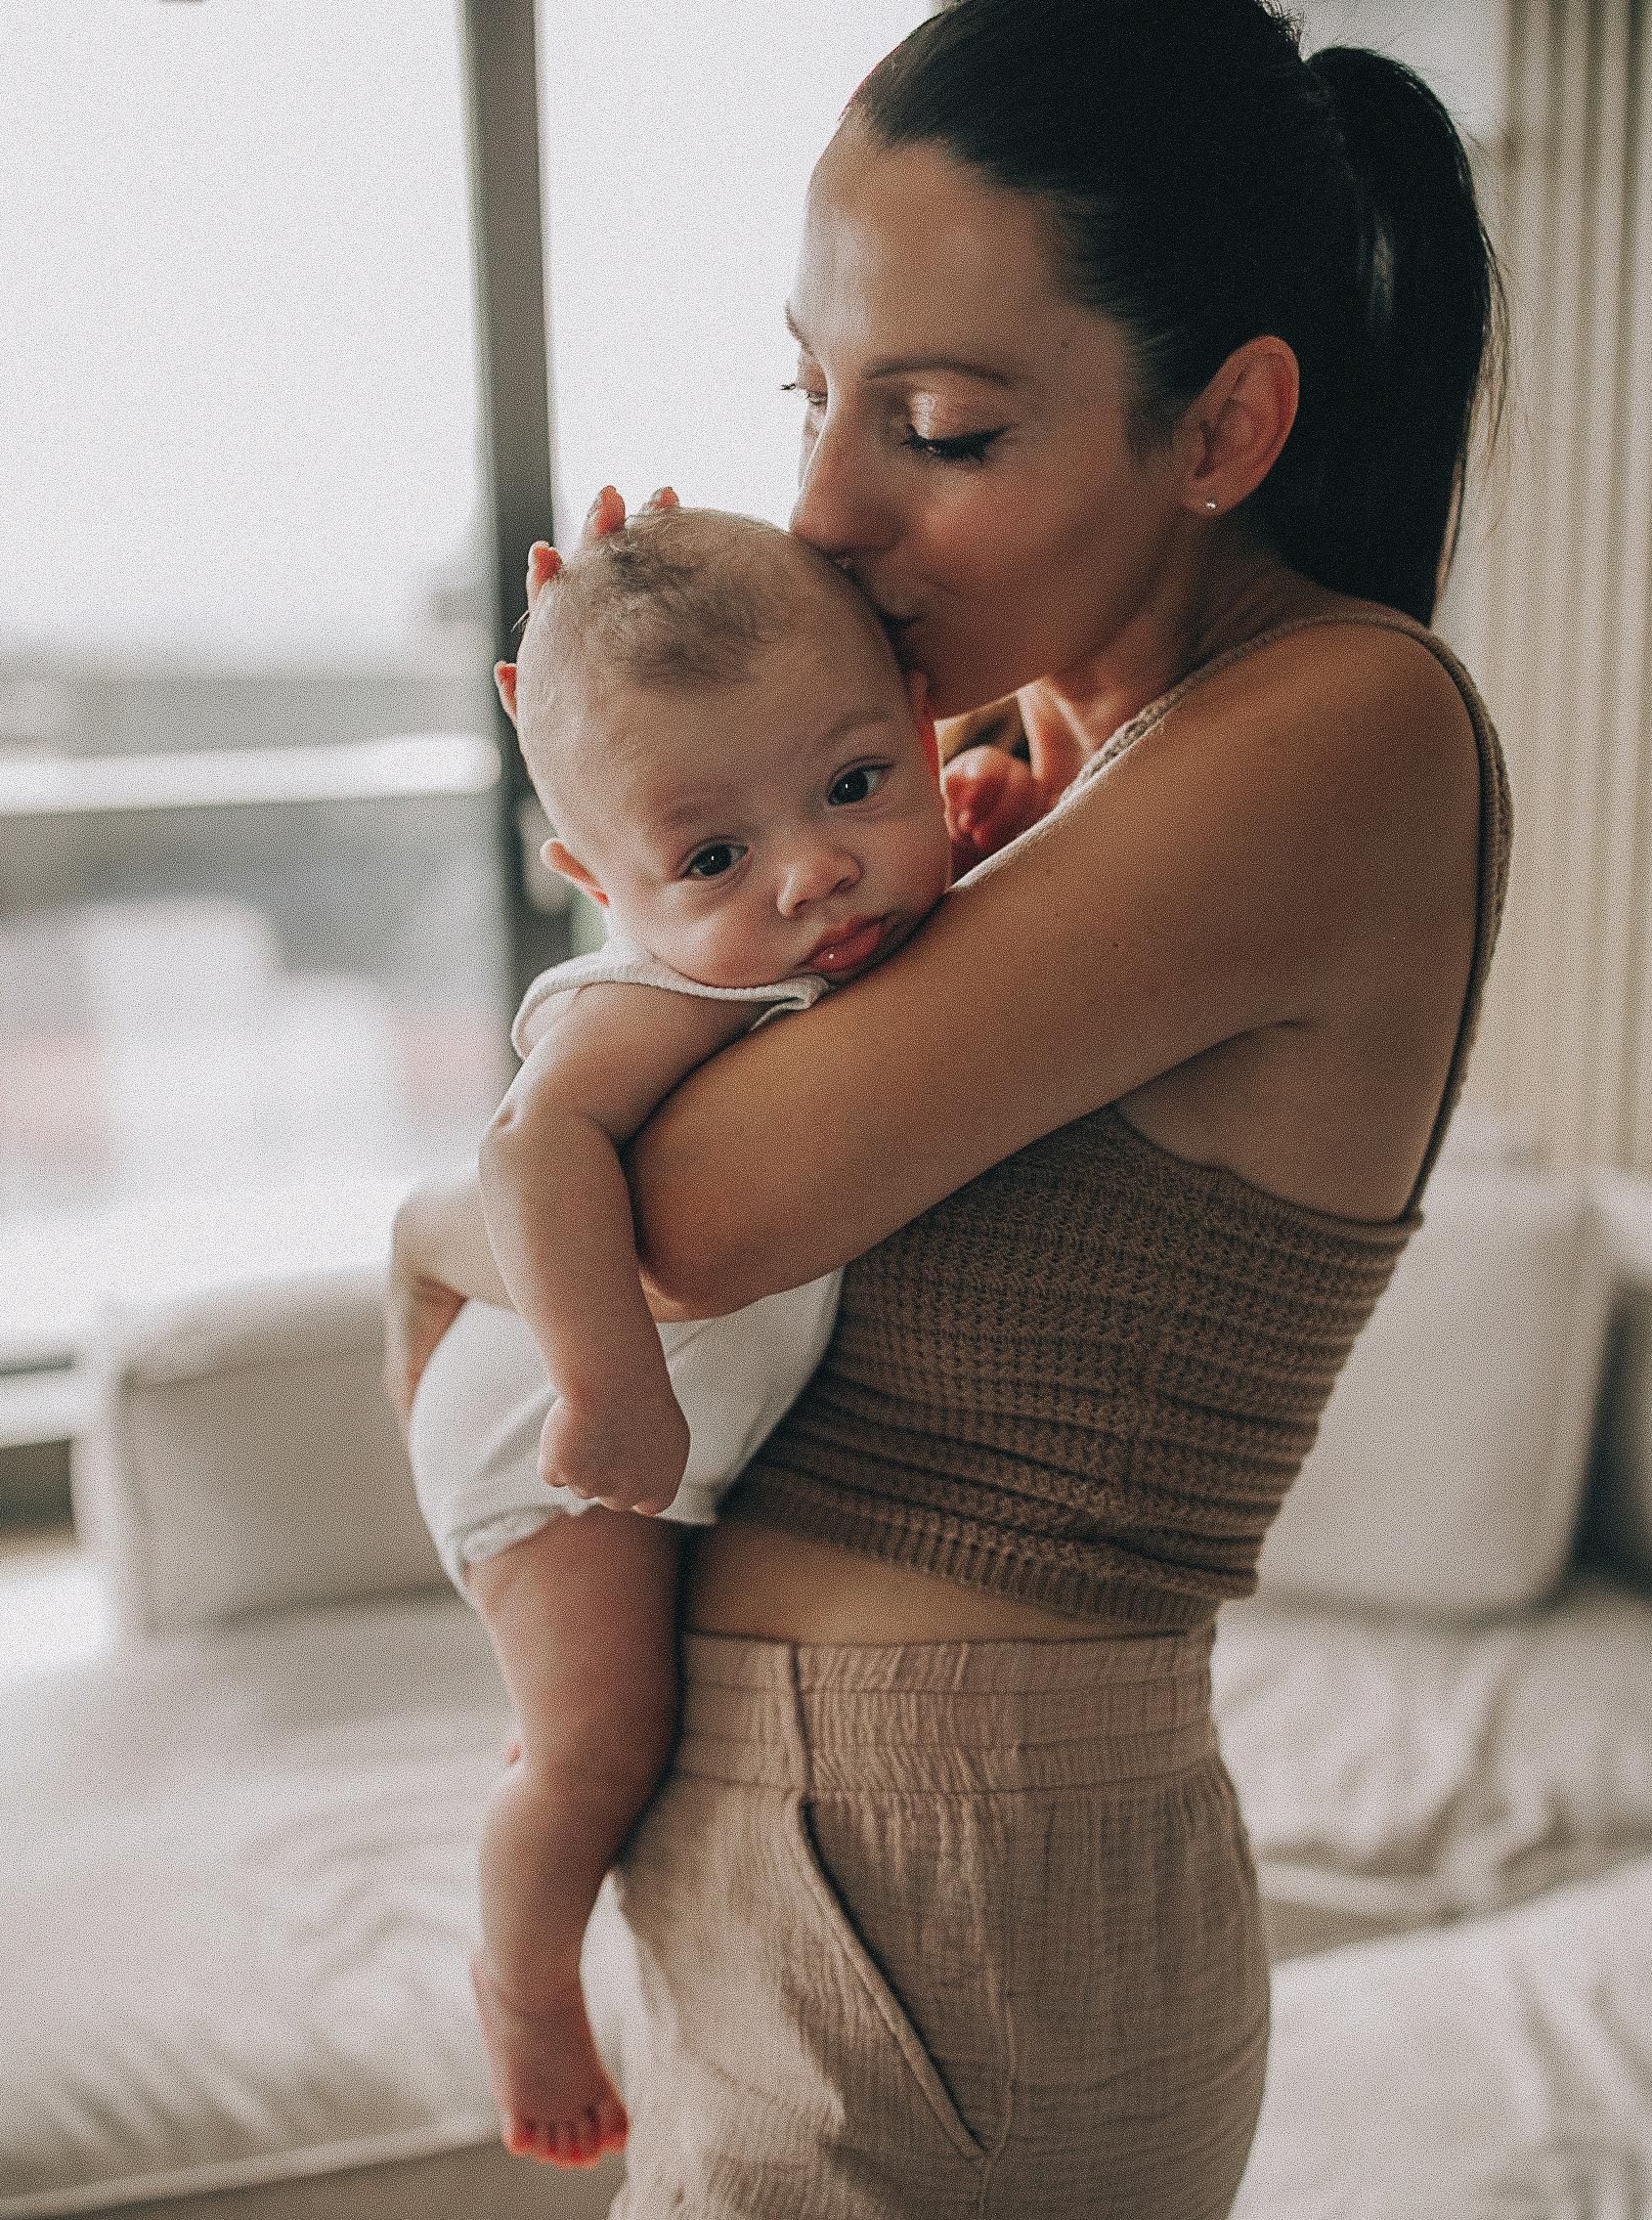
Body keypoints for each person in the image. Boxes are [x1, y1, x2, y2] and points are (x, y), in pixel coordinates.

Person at [384, 2, 1511, 2210]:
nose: (823, 507)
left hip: (941, 1868)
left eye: (937, 428)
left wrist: (438, 1231)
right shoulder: (1016, 782)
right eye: (809, 395)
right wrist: (656, 712)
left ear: (1222, 426)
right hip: (843, 1851)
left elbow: (686, 1222)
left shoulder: (1338, 730)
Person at [404, 501, 953, 2167]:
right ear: (601, 885)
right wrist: (609, 1388)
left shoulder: (823, 935)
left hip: (634, 1428)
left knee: (582, 1712)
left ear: (924, 729)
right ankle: (521, 1986)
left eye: (855, 784)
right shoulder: (659, 991)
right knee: (598, 1748)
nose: (809, 870)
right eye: (711, 858)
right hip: (553, 1441)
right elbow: (532, 1151)